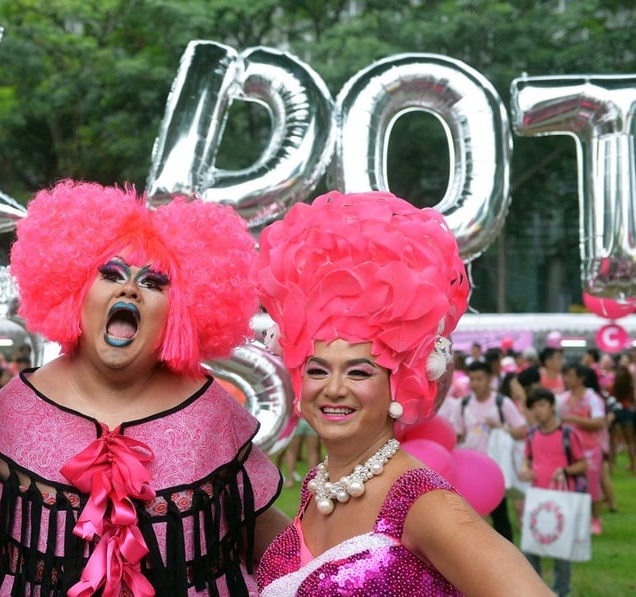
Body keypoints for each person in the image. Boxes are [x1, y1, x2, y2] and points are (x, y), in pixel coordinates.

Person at [0, 180, 287, 595]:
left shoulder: (214, 414)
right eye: (111, 274)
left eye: (153, 282)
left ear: (180, 312)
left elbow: (280, 554)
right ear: (75, 291)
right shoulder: (14, 410)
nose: (129, 289)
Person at [251, 190, 551, 595]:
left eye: (359, 372)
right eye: (318, 369)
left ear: (398, 382)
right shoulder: (318, 487)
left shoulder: (422, 502)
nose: (334, 389)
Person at [444, 359, 529, 541]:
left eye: (479, 379)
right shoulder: (463, 404)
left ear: (490, 379)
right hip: (471, 470)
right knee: (470, 516)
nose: (475, 384)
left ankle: (506, 552)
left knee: (500, 515)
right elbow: (456, 435)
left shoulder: (501, 403)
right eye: (472, 379)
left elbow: (522, 430)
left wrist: (501, 427)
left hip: (495, 468)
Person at [518, 388, 588, 597]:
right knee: (531, 548)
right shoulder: (531, 434)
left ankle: (561, 590)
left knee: (561, 549)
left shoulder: (567, 434)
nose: (538, 411)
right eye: (534, 407)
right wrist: (525, 468)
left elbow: (583, 463)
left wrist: (565, 471)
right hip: (538, 499)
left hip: (561, 500)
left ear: (552, 407)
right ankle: (536, 589)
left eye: (542, 405)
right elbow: (527, 458)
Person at [557, 363, 608, 535]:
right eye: (565, 375)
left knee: (592, 484)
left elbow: (599, 422)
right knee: (572, 484)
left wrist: (574, 419)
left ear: (581, 378)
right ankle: (576, 518)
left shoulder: (592, 398)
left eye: (570, 375)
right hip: (568, 449)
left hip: (589, 448)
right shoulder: (562, 398)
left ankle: (596, 518)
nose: (567, 379)